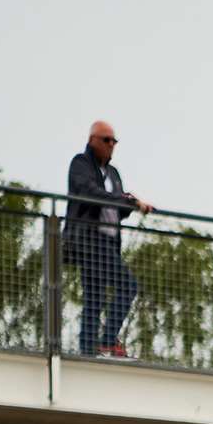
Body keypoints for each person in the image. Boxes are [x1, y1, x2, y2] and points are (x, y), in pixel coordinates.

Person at [63, 120, 153, 358]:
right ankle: (107, 340)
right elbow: (88, 192)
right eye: (106, 140)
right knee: (127, 285)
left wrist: (129, 204)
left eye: (114, 141)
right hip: (90, 239)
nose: (111, 145)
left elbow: (118, 209)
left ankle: (88, 350)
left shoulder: (113, 173)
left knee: (95, 295)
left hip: (109, 241)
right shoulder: (81, 163)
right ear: (92, 140)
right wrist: (128, 200)